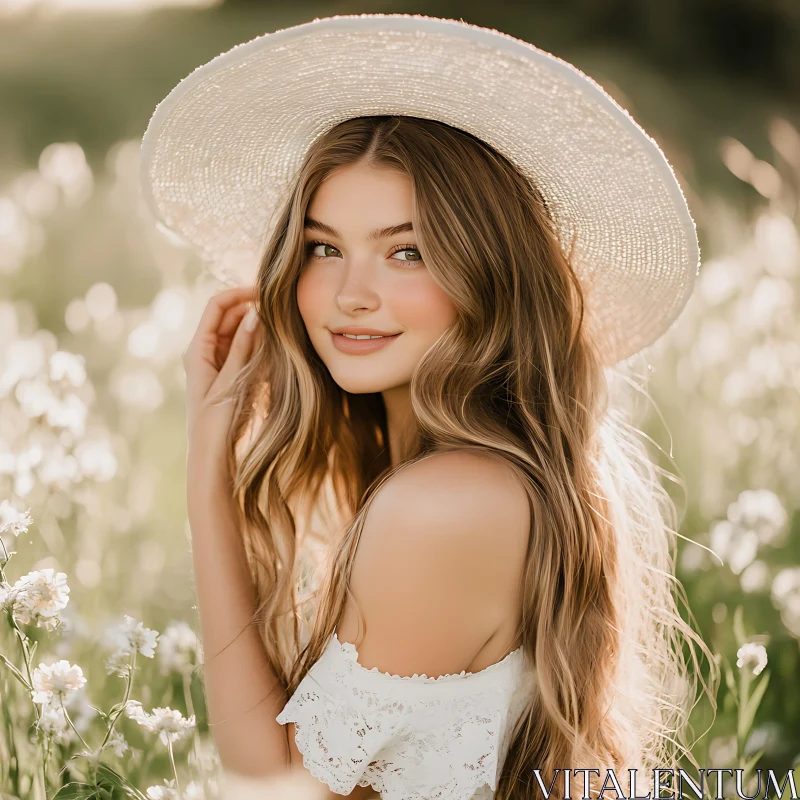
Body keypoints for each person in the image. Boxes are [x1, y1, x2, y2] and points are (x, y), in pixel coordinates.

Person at [140, 14, 718, 800]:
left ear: (488, 275)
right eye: (322, 246)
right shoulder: (474, 479)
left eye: (405, 251)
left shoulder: (442, 504)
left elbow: (273, 790)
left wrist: (208, 477)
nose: (350, 294)